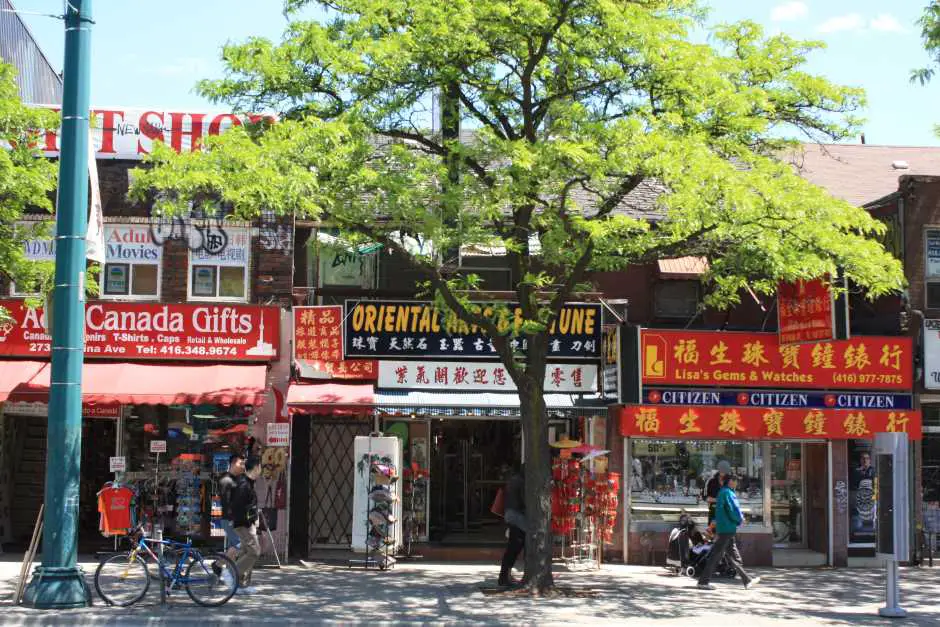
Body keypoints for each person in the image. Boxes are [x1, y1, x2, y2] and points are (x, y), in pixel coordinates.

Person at [697, 474, 759, 590]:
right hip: (727, 528)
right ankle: (703, 582)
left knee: (733, 556)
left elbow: (722, 511)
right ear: (730, 481)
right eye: (735, 480)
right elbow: (733, 509)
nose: (737, 483)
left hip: (725, 528)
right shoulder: (728, 493)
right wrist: (740, 519)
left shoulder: (722, 492)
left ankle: (747, 580)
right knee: (716, 555)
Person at [230, 456, 262, 594]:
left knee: (246, 552)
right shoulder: (244, 484)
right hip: (243, 524)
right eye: (260, 467)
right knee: (254, 551)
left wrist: (254, 518)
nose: (261, 470)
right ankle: (232, 573)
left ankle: (242, 585)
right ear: (256, 467)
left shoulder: (247, 482)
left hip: (247, 523)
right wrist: (249, 521)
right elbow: (238, 506)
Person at [212, 453, 245, 586]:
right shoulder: (226, 480)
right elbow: (226, 502)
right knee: (237, 545)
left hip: (233, 518)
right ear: (233, 464)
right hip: (229, 518)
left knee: (236, 546)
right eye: (240, 463)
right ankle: (218, 565)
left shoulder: (234, 479)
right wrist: (233, 517)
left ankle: (222, 568)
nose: (242, 466)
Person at [498, 464, 525, 587]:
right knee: (514, 547)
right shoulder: (521, 482)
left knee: (513, 547)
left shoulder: (513, 480)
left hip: (511, 514)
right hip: (517, 516)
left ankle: (506, 575)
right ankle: (504, 577)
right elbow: (523, 500)